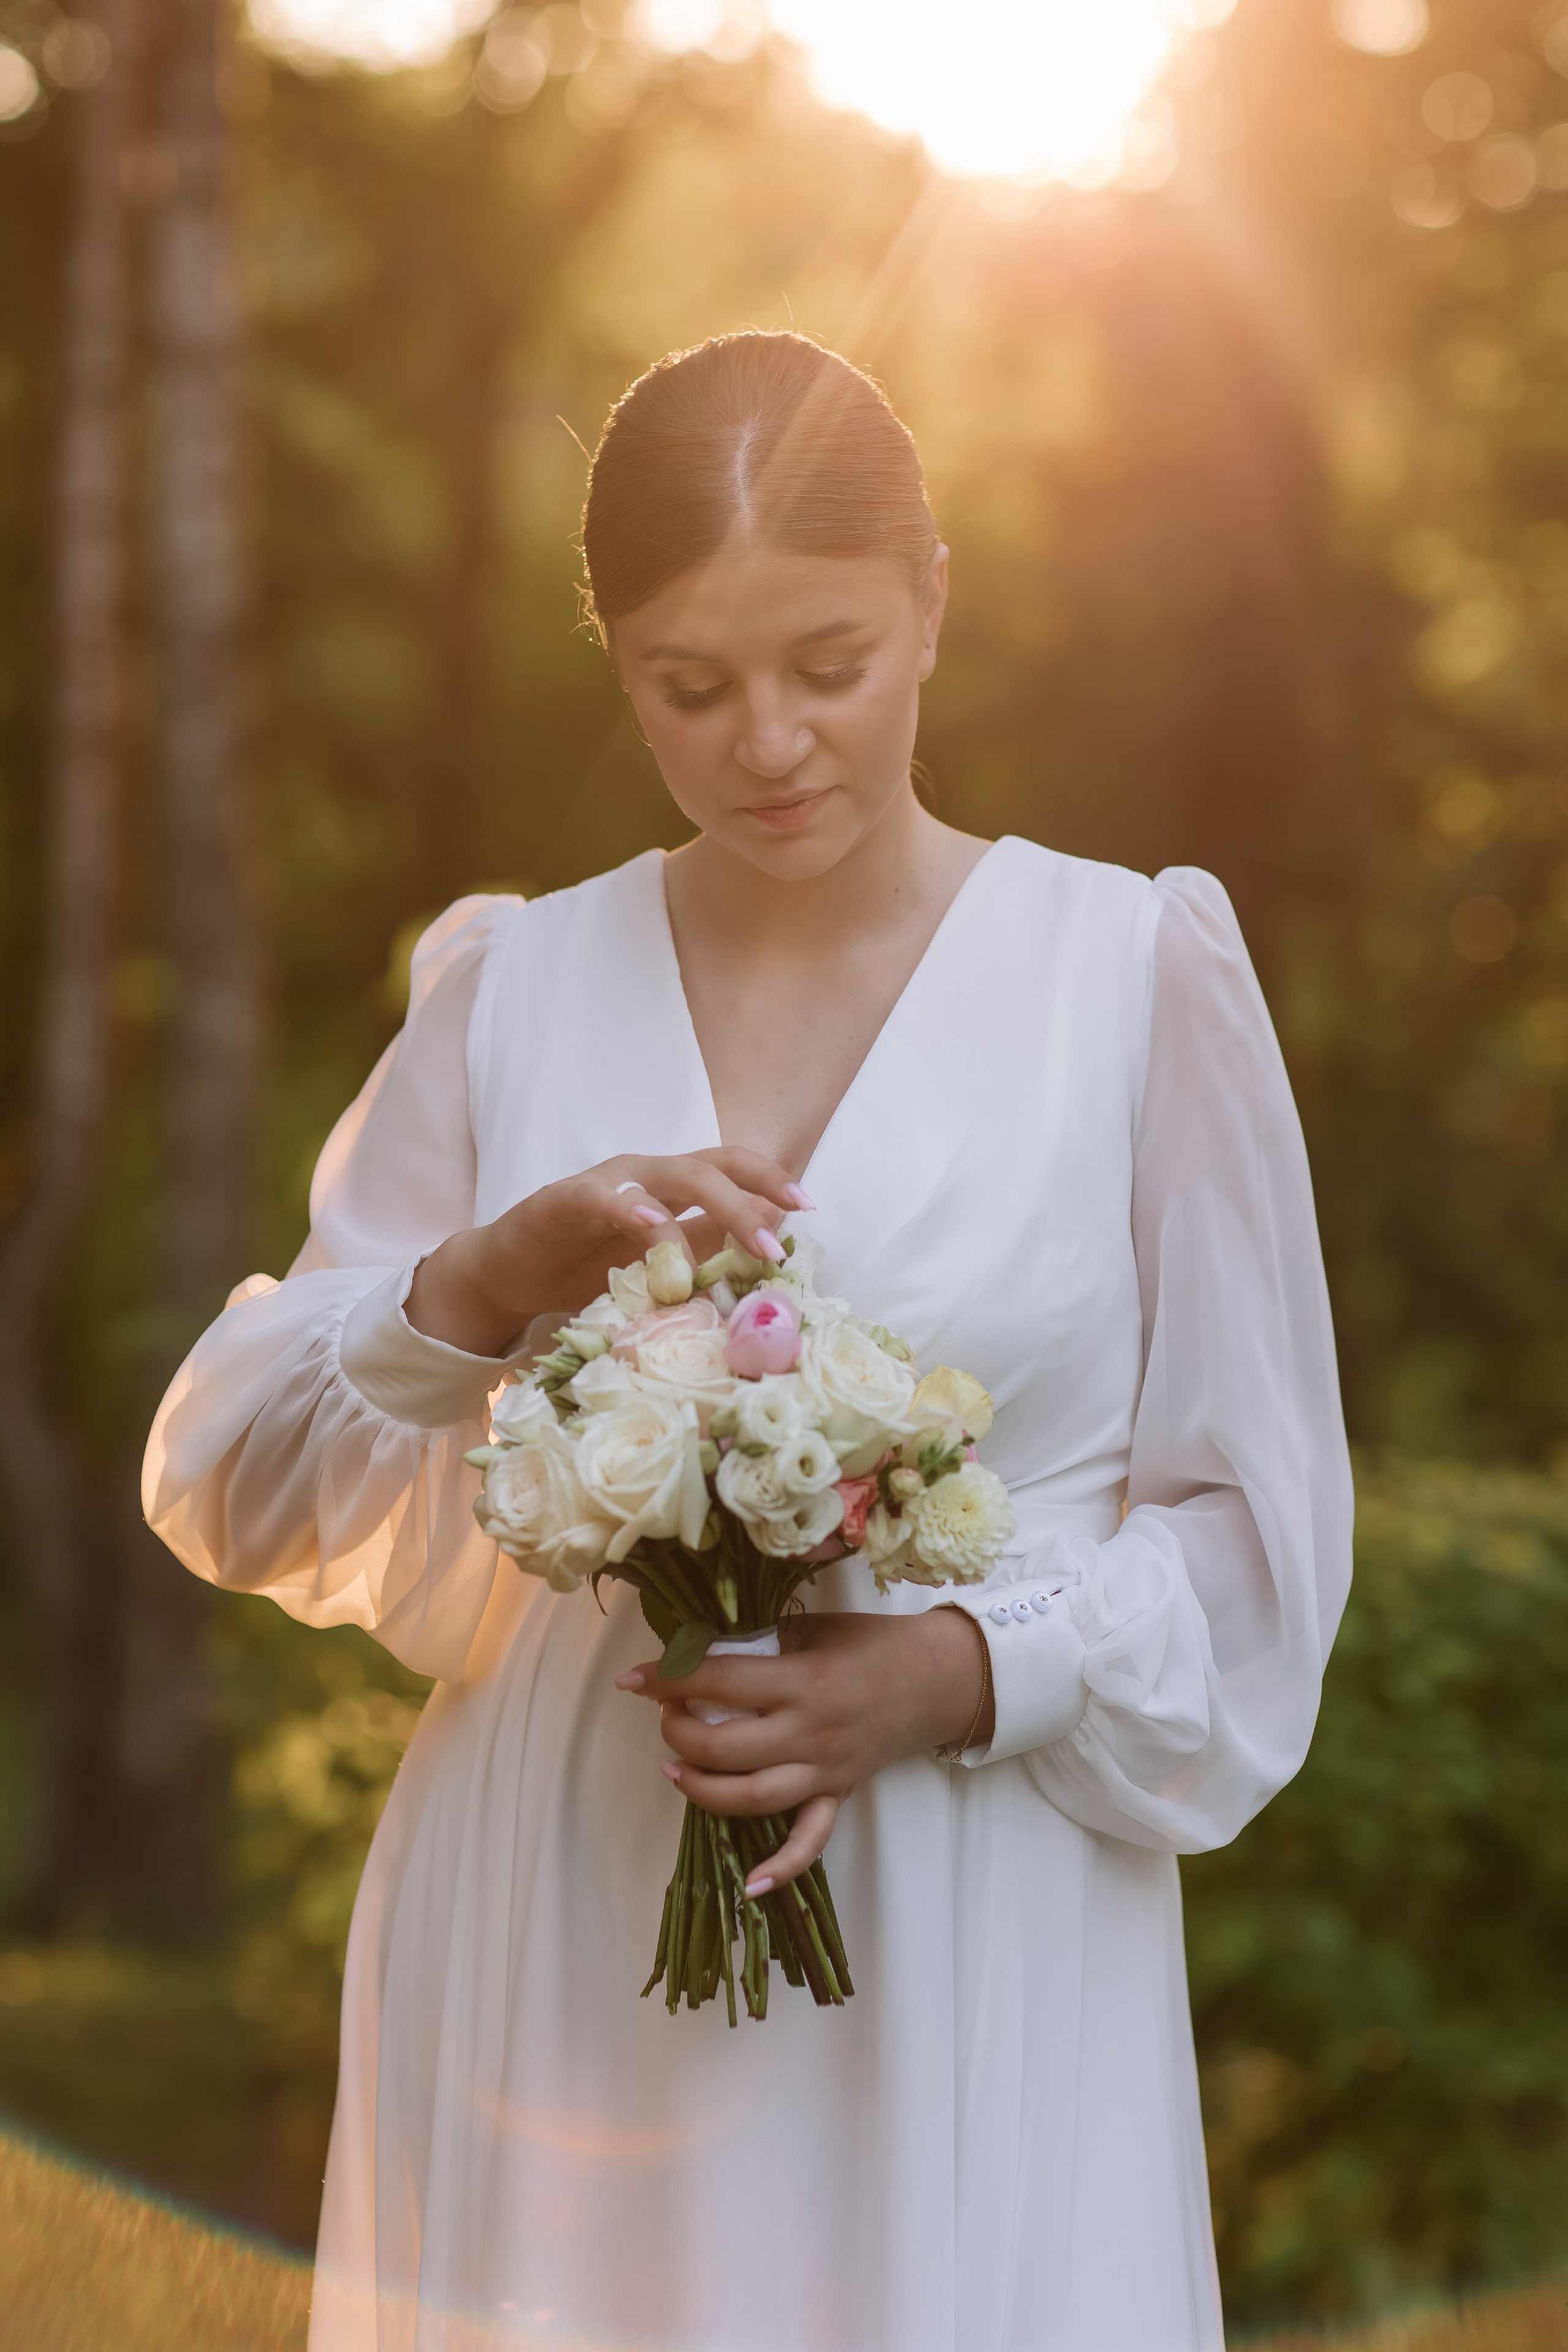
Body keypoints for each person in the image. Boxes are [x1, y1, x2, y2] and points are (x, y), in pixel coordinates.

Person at [144, 330, 1353, 2352]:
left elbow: (1262, 1547)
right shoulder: (510, 983)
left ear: (936, 603)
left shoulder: (1131, 974)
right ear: (614, 657)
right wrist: (480, 1284)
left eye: (829, 662)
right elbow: (240, 1486)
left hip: (974, 1918)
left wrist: (965, 1671)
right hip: (556, 1923)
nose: (768, 743)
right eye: (687, 689)